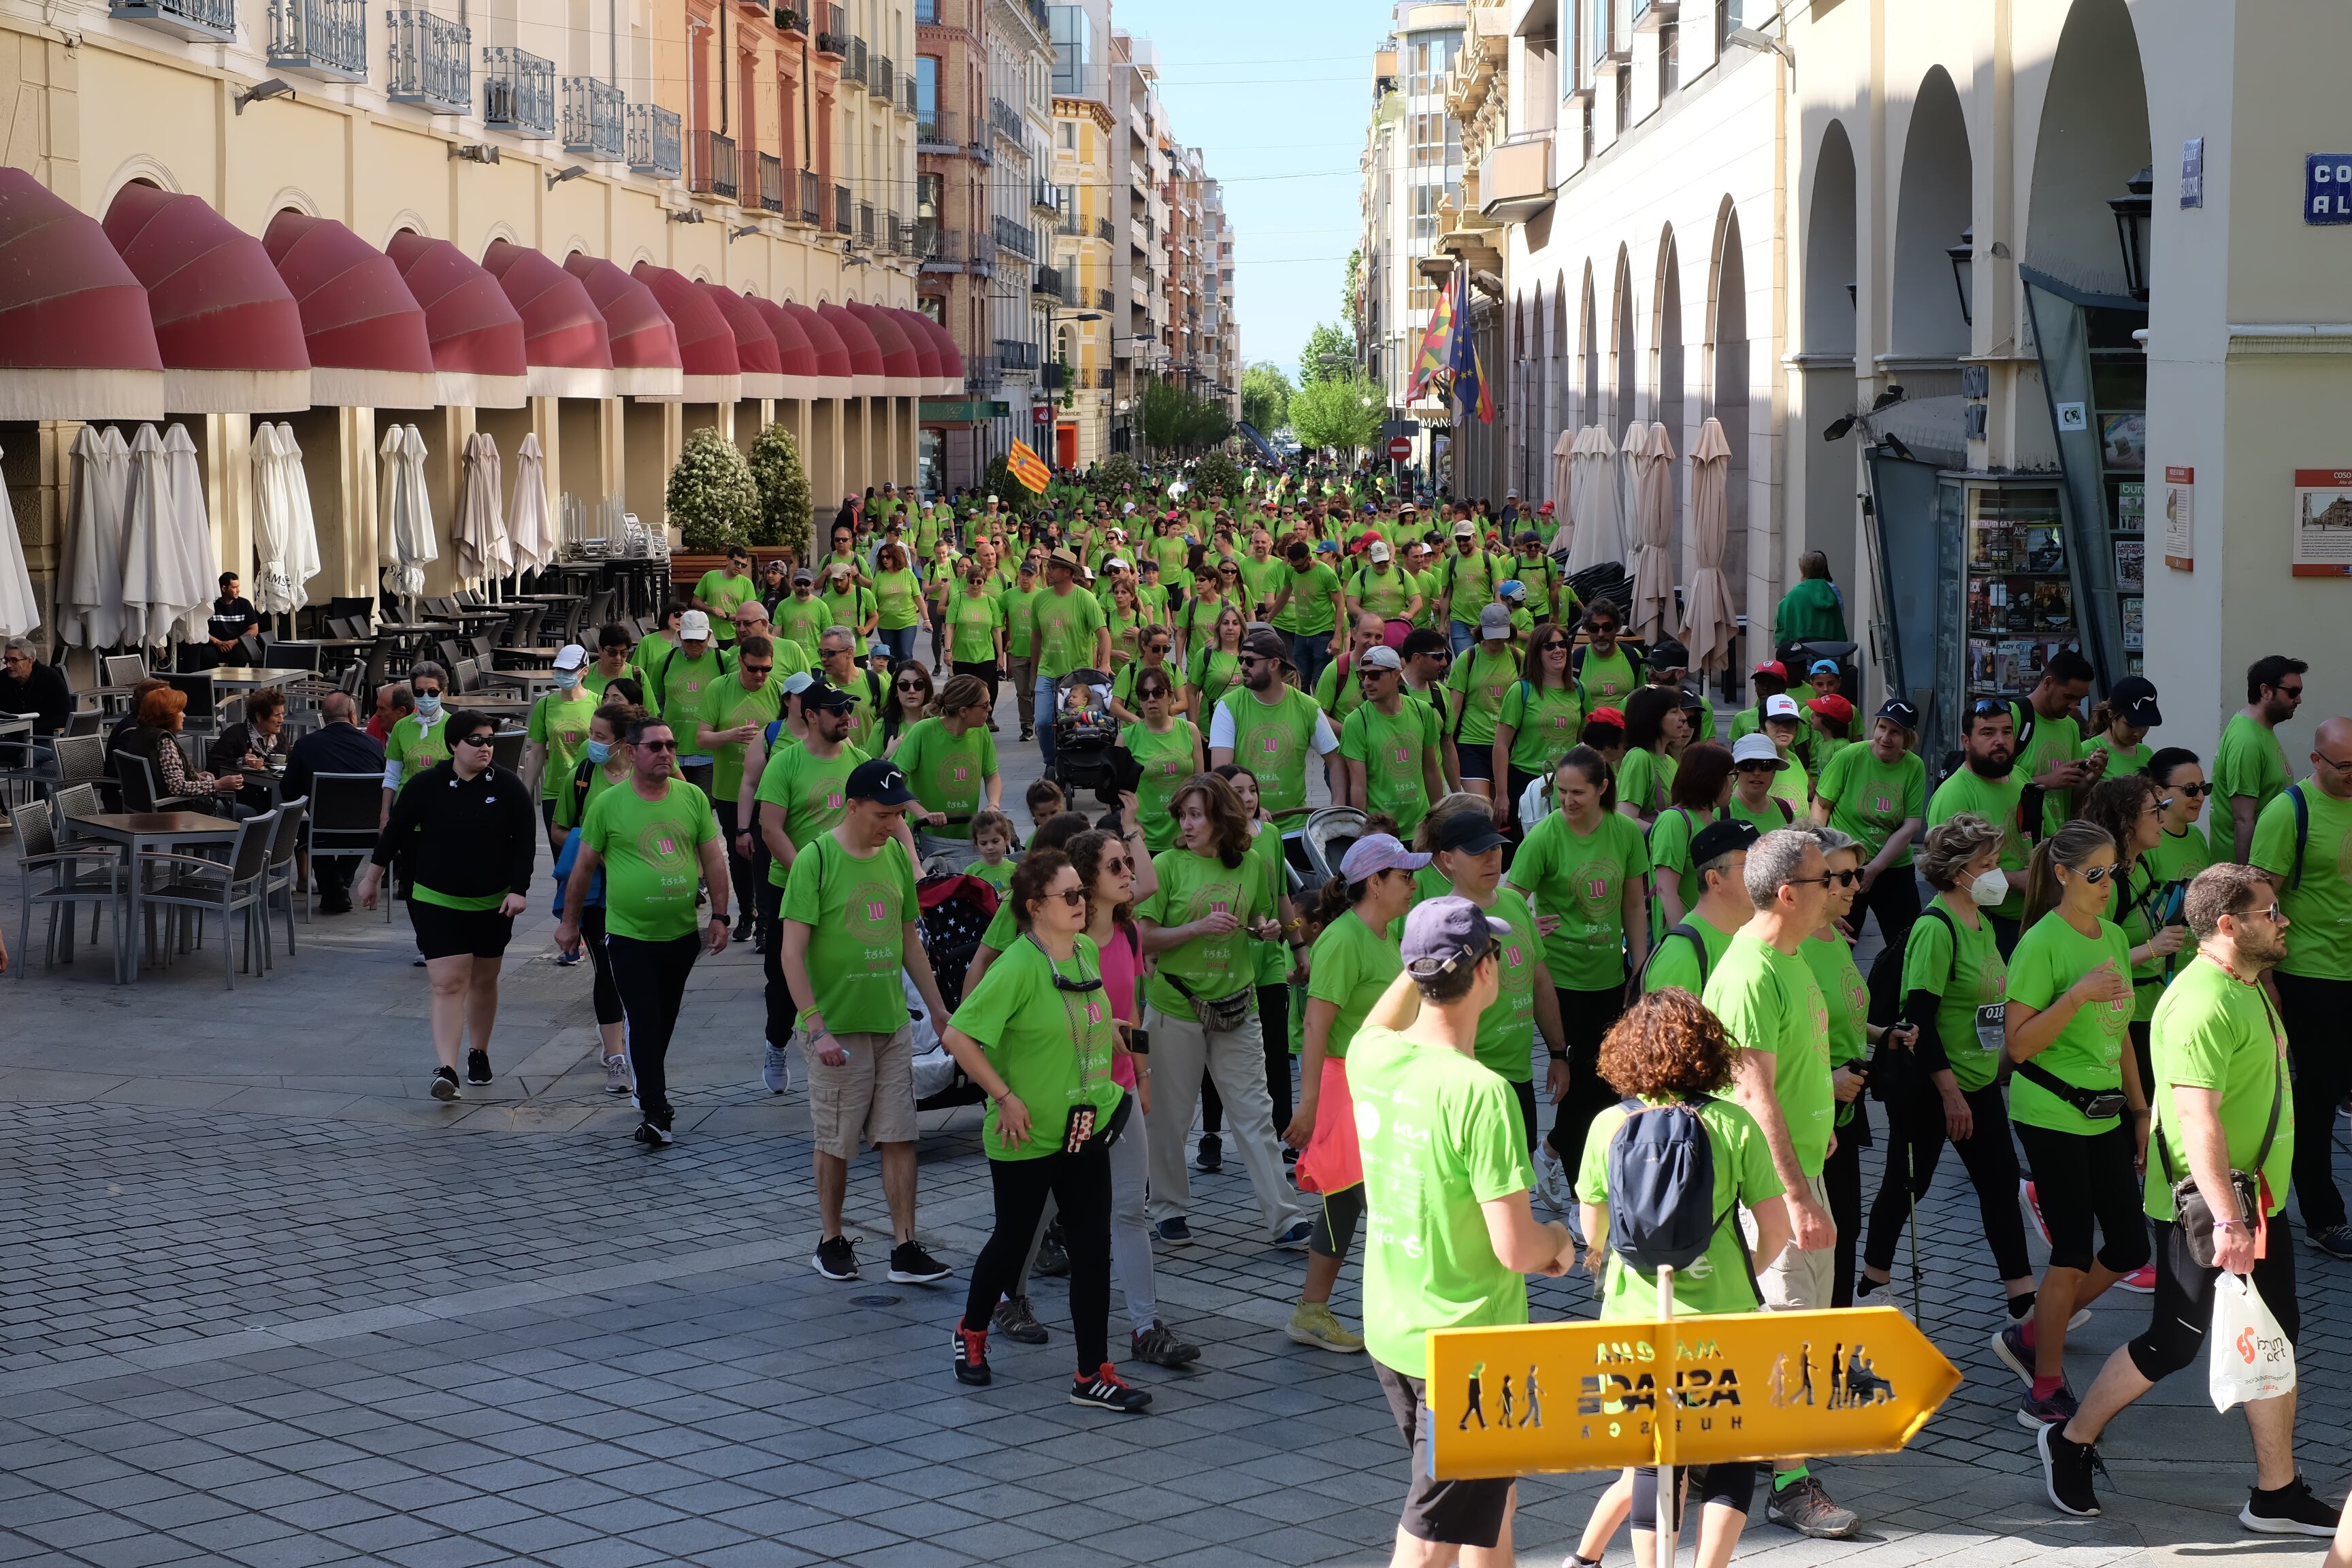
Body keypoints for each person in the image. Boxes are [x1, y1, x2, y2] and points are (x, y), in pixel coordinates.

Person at [2040, 864, 2338, 1534]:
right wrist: (2228, 1218)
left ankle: (2277, 1493)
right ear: (2229, 925)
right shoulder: (2203, 1001)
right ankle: (2069, 1439)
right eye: (2270, 912)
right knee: (2174, 1341)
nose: (2284, 920)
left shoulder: (2246, 984)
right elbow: (2196, 1118)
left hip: (2255, 1202)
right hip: (2210, 1208)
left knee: (2275, 1338)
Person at [1353, 898, 1577, 1568]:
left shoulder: (1372, 1056)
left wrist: (1420, 960)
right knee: (1430, 1540)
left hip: (1393, 1330)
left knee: (1491, 1503)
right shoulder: (1482, 1093)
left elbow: (1378, 1020)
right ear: (1486, 971)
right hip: (1468, 1350)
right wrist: (1560, 1240)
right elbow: (1518, 1248)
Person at [1575, 989, 1792, 1568]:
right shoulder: (1733, 1123)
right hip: (1723, 1317)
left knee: (1652, 1457)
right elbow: (1776, 1229)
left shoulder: (1607, 1125)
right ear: (1709, 1051)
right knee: (1732, 1452)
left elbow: (1592, 1233)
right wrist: (1744, 1271)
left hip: (1633, 1323)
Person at [942, 849, 1152, 1411]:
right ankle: (971, 1330)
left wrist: (1114, 1032)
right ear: (1035, 907)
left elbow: (1079, 1018)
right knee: (1012, 1243)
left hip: (1084, 1127)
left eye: (1083, 892)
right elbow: (958, 1036)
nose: (1083, 903)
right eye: (1071, 895)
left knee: (1092, 1249)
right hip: (1025, 1134)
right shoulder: (1016, 966)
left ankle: (1092, 1374)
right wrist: (1004, 1098)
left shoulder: (1083, 951)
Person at [1699, 827, 1857, 1539]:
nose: (1842, 889)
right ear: (1790, 894)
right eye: (1829, 879)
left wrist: (1818, 1120)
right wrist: (1794, 1197)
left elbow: (1792, 1068)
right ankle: (1790, 1485)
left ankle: (1746, 1451)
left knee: (1802, 1328)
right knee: (1787, 1331)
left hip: (1801, 1169)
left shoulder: (1793, 956)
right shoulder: (1750, 973)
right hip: (1768, 1187)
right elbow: (1752, 1094)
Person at [1994, 817, 2147, 1426]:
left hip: (2104, 1113)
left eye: (2115, 871)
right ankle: (2044, 1387)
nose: (2108, 884)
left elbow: (2122, 1034)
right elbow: (2018, 1045)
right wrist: (2077, 994)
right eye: (2095, 873)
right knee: (2073, 1252)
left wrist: (2140, 1110)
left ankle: (2036, 1333)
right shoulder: (2040, 944)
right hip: (2050, 1112)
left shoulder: (2114, 937)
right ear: (2062, 875)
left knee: (2131, 1244)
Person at [781, 759, 955, 1284]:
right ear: (851, 807)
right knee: (836, 1139)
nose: (893, 824)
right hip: (835, 1028)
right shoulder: (815, 860)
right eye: (883, 815)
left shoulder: (897, 856)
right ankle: (830, 1240)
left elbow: (909, 942)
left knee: (900, 1135)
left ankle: (905, 1247)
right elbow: (791, 954)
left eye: (898, 814)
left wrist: (939, 1010)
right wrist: (816, 1028)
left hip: (891, 1023)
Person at [1859, 814, 2036, 1318]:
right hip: (1931, 1086)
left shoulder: (1981, 922)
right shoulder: (1936, 929)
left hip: (1978, 1081)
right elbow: (1919, 1022)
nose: (1997, 873)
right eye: (1988, 864)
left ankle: (2023, 1299)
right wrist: (1951, 1094)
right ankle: (1874, 1280)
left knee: (1999, 1185)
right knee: (1907, 1185)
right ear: (1959, 872)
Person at [1138, 772, 1311, 1249]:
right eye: (1183, 815)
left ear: (1220, 818)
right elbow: (1145, 938)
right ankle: (1168, 1208)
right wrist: (1196, 929)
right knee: (1170, 1117)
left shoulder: (1252, 863)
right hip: (1175, 1007)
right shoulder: (1166, 865)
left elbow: (1258, 915)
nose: (1187, 824)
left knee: (1255, 1114)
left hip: (1238, 1004)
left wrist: (1267, 929)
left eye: (1196, 815)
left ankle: (1285, 1218)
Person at [553, 714, 729, 1143]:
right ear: (632, 753)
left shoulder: (692, 797)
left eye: (670, 745)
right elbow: (583, 868)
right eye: (655, 746)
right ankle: (656, 1109)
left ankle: (647, 1083)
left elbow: (713, 858)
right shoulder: (608, 804)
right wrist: (570, 923)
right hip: (628, 936)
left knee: (663, 1019)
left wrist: (721, 916)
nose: (666, 752)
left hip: (682, 936)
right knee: (645, 1018)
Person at [1281, 834, 1418, 1354]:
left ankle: (1311, 1312)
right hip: (1350, 1088)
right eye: (1404, 876)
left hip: (1377, 1084)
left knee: (1344, 1203)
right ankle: (1408, 1315)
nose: (1413, 885)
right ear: (1375, 883)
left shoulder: (1389, 931)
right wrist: (1309, 1105)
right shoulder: (1342, 940)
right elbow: (1316, 1025)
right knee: (1384, 1206)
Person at [357, 710, 535, 1099]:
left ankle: (479, 1052)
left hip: (493, 902)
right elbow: (395, 833)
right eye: (476, 740)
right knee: (448, 983)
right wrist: (371, 877)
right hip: (435, 898)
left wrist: (519, 889)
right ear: (454, 744)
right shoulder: (426, 784)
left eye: (490, 740)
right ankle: (447, 1069)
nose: (485, 747)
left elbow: (524, 842)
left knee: (484, 980)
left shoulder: (508, 786)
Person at [1505, 746, 1649, 1211]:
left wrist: (1639, 967)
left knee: (1605, 1083)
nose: (1567, 801)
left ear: (1602, 788)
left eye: (1578, 793)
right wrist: (1528, 923)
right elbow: (1509, 896)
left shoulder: (1624, 832)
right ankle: (1577, 1193)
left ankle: (1551, 1151)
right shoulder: (1545, 836)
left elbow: (1633, 903)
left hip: (1610, 977)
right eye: (1561, 792)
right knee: (1581, 1084)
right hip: (1560, 981)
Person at [2249, 715, 2352, 1260]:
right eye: (2345, 766)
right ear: (2316, 760)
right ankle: (2323, 1218)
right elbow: (2259, 898)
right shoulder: (2289, 811)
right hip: (2311, 975)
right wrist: (2267, 977)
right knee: (2317, 1099)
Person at [1422, 802, 1567, 1155]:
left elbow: (1540, 981)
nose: (1491, 860)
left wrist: (1558, 1053)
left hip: (1520, 1077)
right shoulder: (1441, 924)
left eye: (1496, 849)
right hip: (1473, 1081)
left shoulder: (1515, 903)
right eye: (1477, 853)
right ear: (1448, 860)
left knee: (1520, 1173)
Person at [751, 683, 870, 1091]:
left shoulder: (859, 762)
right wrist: (810, 878)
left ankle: (842, 1049)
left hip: (848, 890)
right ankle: (776, 1042)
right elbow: (771, 829)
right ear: (812, 716)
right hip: (791, 888)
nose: (846, 716)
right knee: (784, 978)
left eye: (848, 708)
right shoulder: (784, 763)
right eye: (836, 710)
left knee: (846, 971)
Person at [553, 702, 639, 1094]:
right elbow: (558, 829)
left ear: (623, 743)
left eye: (601, 737)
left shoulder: (648, 771)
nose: (593, 743)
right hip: (596, 893)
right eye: (591, 734)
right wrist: (594, 848)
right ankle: (617, 1056)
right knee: (608, 971)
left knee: (638, 972)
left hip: (642, 890)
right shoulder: (583, 774)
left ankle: (635, 1040)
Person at [1812, 697, 1927, 951]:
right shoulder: (1849, 756)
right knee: (1838, 942)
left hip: (1893, 866)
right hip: (1845, 866)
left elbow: (1910, 826)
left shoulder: (1914, 766)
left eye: (1895, 732)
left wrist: (1874, 868)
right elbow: (1821, 807)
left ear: (1908, 738)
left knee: (1907, 945)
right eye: (1882, 727)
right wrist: (1823, 857)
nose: (1886, 737)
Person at [690, 632, 781, 942]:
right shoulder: (719, 687)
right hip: (729, 789)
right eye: (753, 668)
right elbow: (701, 739)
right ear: (740, 662)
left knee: (765, 856)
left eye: (766, 669)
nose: (760, 675)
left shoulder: (778, 692)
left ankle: (766, 923)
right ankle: (746, 911)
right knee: (739, 854)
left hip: (769, 792)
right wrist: (730, 735)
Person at [1207, 626, 1340, 829]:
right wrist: (1252, 810)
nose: (1243, 667)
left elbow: (1335, 762)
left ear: (1274, 664)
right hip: (1246, 826)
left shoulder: (1308, 707)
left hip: (1295, 826)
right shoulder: (1228, 706)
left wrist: (1337, 805)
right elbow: (1221, 772)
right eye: (1241, 660)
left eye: (1250, 661)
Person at [1929, 699, 2031, 953]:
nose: (2000, 740)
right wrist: (2017, 880)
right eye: (1988, 733)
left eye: (2007, 732)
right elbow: (1947, 876)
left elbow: (2043, 836)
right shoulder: (1953, 795)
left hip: (2032, 920)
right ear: (1966, 741)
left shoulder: (2020, 777)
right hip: (1985, 925)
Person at [282, 690, 385, 913]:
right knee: (361, 819)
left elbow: (288, 791)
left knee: (303, 824)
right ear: (353, 716)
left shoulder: (305, 745)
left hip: (321, 832)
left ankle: (335, 888)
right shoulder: (375, 746)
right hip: (367, 833)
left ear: (323, 717)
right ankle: (339, 885)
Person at [1339, 646, 1446, 838]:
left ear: (1396, 675)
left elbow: (1431, 770)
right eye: (1363, 675)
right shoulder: (1356, 722)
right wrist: (1364, 835)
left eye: (1375, 675)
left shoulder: (1422, 711)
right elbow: (1358, 786)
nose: (1367, 682)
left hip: (1420, 830)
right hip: (1382, 834)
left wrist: (1438, 821)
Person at [894, 672, 1000, 866]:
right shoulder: (923, 731)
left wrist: (993, 804)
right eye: (984, 705)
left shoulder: (981, 731)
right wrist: (923, 814)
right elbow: (894, 781)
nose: (990, 709)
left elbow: (992, 775)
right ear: (964, 711)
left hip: (969, 837)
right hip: (926, 838)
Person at [1642, 817, 1755, 995]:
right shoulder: (1680, 955)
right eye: (1750, 865)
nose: (1763, 872)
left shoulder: (1751, 936)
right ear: (1714, 880)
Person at [1490, 623, 1582, 828]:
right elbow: (1501, 745)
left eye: (1563, 644)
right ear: (1536, 653)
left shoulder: (1578, 689)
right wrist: (1502, 795)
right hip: (1526, 781)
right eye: (1549, 646)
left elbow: (1584, 741)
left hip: (1568, 781)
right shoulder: (1520, 690)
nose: (1558, 650)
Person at [2217, 654, 2306, 862]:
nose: (2299, 700)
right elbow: (2243, 820)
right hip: (2248, 869)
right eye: (2293, 692)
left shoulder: (2259, 729)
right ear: (2266, 691)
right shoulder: (2247, 740)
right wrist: (2249, 877)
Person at [2010, 649, 2105, 839]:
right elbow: (1990, 785)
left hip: (2054, 844)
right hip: (2015, 841)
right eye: (2068, 697)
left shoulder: (2070, 726)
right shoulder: (2012, 716)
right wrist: (2047, 781)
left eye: (2079, 700)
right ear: (2047, 683)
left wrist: (2088, 780)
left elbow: (2071, 802)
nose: (2073, 706)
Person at [1032, 550, 1111, 769]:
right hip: (1047, 672)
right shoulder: (1040, 599)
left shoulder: (1085, 598)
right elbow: (1036, 636)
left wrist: (1105, 663)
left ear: (1067, 572)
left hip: (1077, 676)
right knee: (1043, 722)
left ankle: (1078, 760)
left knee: (1075, 720)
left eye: (1053, 568)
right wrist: (1033, 670)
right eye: (1048, 567)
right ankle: (1051, 763)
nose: (1048, 571)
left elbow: (1103, 634)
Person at [1116, 666, 1203, 855]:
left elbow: (1200, 785)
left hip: (1185, 837)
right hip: (1143, 839)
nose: (1151, 699)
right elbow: (1116, 796)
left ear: (1170, 696)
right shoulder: (1126, 737)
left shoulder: (1190, 731)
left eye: (1158, 692)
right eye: (1144, 694)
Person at [118, 687, 246, 812]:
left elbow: (160, 775)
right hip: (174, 813)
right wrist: (218, 784)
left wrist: (193, 776)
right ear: (168, 715)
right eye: (180, 711)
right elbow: (177, 787)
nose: (184, 715)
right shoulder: (164, 741)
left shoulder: (141, 733)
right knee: (248, 812)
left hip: (143, 808)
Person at [1443, 605, 1522, 806]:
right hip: (1473, 743)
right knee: (1480, 807)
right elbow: (1454, 707)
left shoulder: (1518, 657)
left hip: (1508, 745)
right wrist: (1447, 745)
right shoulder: (1468, 658)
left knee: (1500, 810)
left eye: (1501, 634)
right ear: (1482, 631)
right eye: (1492, 634)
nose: (1497, 640)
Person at [522, 644, 598, 847]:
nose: (563, 674)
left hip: (589, 791)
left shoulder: (598, 703)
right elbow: (537, 754)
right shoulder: (545, 705)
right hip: (554, 792)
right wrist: (525, 792)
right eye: (559, 669)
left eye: (569, 670)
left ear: (584, 671)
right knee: (560, 860)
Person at [380, 662, 452, 827]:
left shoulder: (454, 726)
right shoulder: (401, 727)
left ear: (443, 692)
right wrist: (384, 817)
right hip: (406, 812)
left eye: (432, 692)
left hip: (443, 814)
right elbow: (392, 776)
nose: (426, 697)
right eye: (419, 692)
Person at [205, 685, 290, 813]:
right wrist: (241, 761)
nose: (281, 720)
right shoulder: (236, 734)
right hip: (243, 798)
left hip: (274, 796)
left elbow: (289, 760)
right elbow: (212, 767)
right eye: (277, 715)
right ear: (259, 717)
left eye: (282, 714)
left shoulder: (279, 736)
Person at [1434, 515, 1510, 655]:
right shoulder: (1450, 563)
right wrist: (1442, 624)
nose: (1462, 543)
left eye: (1466, 538)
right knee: (1466, 660)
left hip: (1486, 621)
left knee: (1486, 660)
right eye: (1459, 539)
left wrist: (1500, 618)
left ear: (1475, 537)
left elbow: (1499, 591)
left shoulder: (1490, 559)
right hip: (1459, 622)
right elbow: (1445, 595)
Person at [943, 556, 1007, 719]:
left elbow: (996, 630)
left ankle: (985, 718)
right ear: (967, 581)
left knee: (984, 690)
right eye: (972, 581)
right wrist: (948, 650)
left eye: (979, 581)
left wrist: (1000, 656)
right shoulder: (957, 600)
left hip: (985, 655)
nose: (975, 585)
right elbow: (950, 626)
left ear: (984, 582)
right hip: (962, 655)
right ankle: (965, 719)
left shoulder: (991, 602)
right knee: (964, 692)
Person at [1614, 687, 1686, 825]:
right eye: (1674, 711)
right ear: (1653, 718)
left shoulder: (1670, 761)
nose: (1683, 717)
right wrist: (1664, 833)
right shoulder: (1639, 757)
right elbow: (1627, 819)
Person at [2085, 676, 2163, 777]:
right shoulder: (2089, 750)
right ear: (2111, 714)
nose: (2138, 734)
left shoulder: (2147, 753)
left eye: (2145, 725)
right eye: (2131, 725)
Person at [1569, 600, 1642, 708]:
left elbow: (1641, 699)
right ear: (1587, 630)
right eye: (1594, 628)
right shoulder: (1576, 659)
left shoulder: (1633, 656)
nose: (1601, 634)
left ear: (1617, 628)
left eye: (1607, 627)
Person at [1000, 557, 1042, 742]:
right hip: (1018, 652)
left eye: (1029, 575)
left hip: (1039, 654)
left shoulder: (1042, 596)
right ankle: (1026, 726)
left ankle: (1040, 723)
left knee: (1037, 691)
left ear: (1036, 577)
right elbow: (995, 612)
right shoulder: (1009, 595)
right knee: (1023, 693)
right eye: (1023, 574)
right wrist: (1005, 638)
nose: (1025, 578)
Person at [1773, 549, 1848, 647]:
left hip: (1801, 650)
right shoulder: (1833, 593)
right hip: (1830, 649)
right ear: (1823, 570)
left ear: (1802, 571)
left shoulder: (1793, 596)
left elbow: (1781, 631)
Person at [1184, 602, 1247, 717]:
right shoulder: (1205, 654)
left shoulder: (1250, 656)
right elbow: (1190, 692)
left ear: (1242, 627)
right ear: (1218, 627)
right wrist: (1193, 725)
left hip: (1242, 724)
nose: (1230, 627)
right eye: (1225, 623)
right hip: (1210, 724)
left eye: (1235, 623)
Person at [0, 638, 71, 737]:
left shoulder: (49, 677)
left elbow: (66, 716)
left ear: (29, 661)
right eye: (6, 660)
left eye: (14, 660)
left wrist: (31, 729)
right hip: (10, 737)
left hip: (44, 737)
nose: (8, 665)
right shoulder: (3, 678)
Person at [692, 545, 758, 644]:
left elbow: (750, 614)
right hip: (710, 635)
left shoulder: (747, 584)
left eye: (743, 565)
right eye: (737, 563)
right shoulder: (710, 577)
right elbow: (695, 601)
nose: (739, 567)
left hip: (736, 636)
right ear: (728, 560)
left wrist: (727, 616)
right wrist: (711, 610)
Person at [879, 659, 933, 754]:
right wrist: (887, 756)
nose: (912, 691)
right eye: (904, 685)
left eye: (919, 685)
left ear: (926, 689)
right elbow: (868, 764)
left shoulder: (941, 724)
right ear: (896, 691)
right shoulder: (882, 726)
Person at [583, 624, 644, 704]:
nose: (618, 658)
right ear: (600, 649)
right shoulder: (584, 675)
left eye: (623, 653)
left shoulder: (637, 675)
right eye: (612, 652)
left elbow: (650, 710)